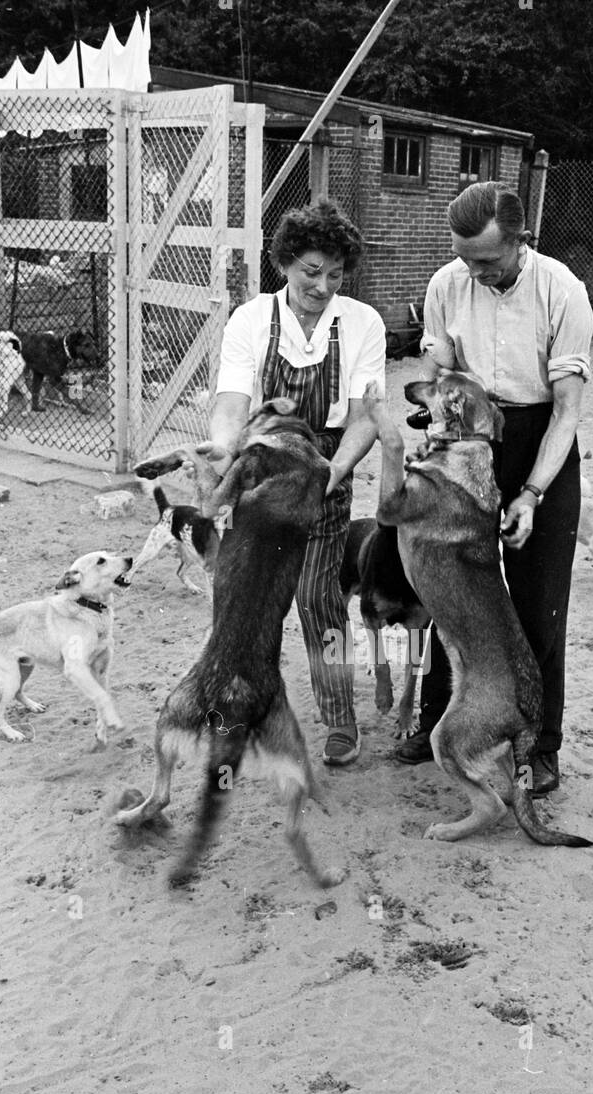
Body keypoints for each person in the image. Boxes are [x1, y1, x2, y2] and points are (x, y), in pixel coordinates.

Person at [398, 181, 593, 795]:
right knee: (450, 585)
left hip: (539, 437)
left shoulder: (562, 292)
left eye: (486, 260)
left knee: (538, 605)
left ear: (520, 241)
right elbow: (437, 361)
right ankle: (441, 722)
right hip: (470, 434)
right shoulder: (447, 284)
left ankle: (539, 747)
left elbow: (566, 411)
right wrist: (433, 413)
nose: (473, 271)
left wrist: (531, 493)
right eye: (463, 258)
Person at [206, 198, 385, 766]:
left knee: (317, 597)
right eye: (312, 271)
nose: (323, 285)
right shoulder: (251, 319)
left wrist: (332, 473)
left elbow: (363, 417)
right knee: (241, 601)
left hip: (324, 469)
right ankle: (231, 710)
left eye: (335, 275)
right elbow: (232, 402)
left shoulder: (363, 324)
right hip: (262, 470)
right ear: (285, 262)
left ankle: (338, 718)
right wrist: (226, 458)